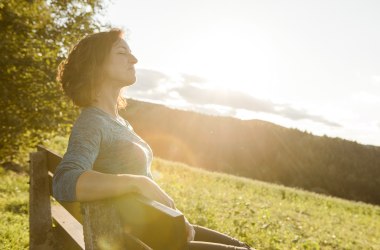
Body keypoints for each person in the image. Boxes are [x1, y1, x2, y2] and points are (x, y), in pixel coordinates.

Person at [53, 28, 253, 250]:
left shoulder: (118, 121)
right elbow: (64, 181)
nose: (134, 59)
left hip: (151, 230)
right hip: (137, 240)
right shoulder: (93, 122)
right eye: (122, 53)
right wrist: (136, 182)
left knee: (242, 246)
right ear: (96, 64)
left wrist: (173, 215)